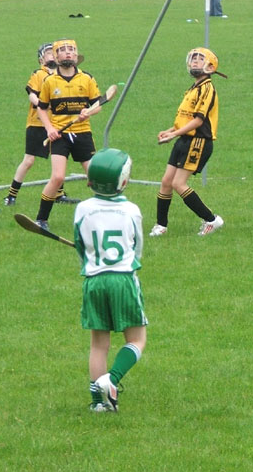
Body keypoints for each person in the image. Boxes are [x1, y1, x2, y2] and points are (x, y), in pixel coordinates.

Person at [74, 148, 147, 413]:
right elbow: (137, 247)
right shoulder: (131, 210)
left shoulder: (82, 208)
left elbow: (80, 247)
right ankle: (112, 382)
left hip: (93, 281)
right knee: (137, 340)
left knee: (99, 344)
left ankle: (98, 403)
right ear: (123, 181)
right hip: (124, 280)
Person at [150, 47, 226, 237]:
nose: (194, 61)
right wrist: (170, 131)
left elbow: (198, 121)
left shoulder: (207, 89)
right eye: (193, 58)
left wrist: (174, 135)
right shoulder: (193, 89)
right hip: (184, 139)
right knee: (166, 181)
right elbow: (186, 120)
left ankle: (212, 220)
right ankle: (161, 225)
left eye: (200, 59)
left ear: (210, 66)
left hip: (198, 142)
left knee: (178, 183)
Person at [33, 38, 101, 231]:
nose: (68, 53)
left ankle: (104, 217)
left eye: (71, 49)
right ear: (55, 56)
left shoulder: (87, 79)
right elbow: (42, 108)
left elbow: (97, 104)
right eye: (63, 50)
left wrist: (89, 111)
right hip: (60, 136)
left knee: (95, 178)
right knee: (57, 177)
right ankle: (41, 219)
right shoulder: (49, 81)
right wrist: (49, 128)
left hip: (82, 134)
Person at [3, 42, 80, 206]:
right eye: (48, 53)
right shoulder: (38, 74)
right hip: (37, 123)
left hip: (56, 123)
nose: (52, 55)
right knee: (29, 160)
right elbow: (32, 95)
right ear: (41, 59)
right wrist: (44, 104)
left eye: (53, 52)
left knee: (59, 157)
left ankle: (58, 195)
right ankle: (11, 195)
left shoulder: (60, 76)